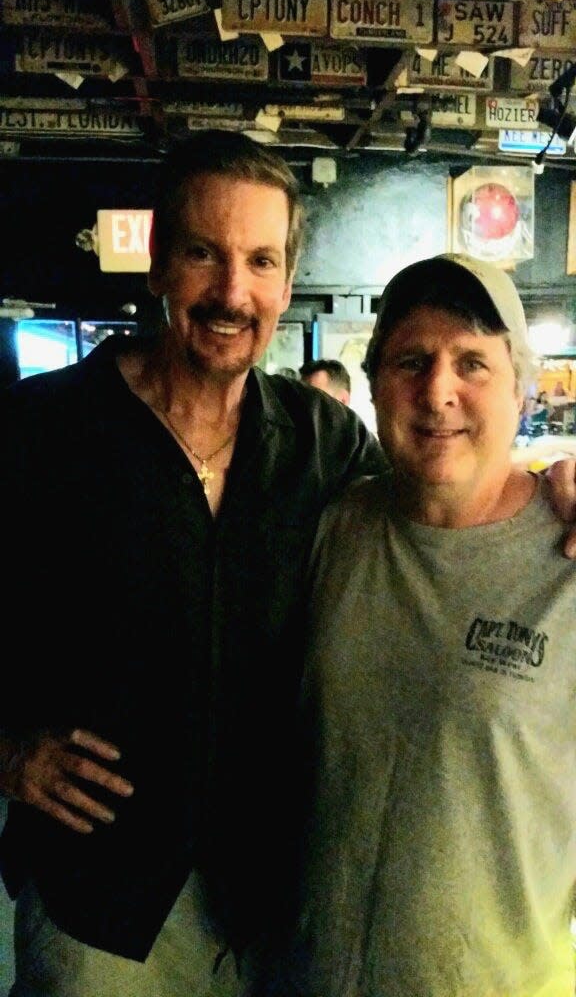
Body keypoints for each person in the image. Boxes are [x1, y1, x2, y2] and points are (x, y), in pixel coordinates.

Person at [0, 130, 385, 997]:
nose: (232, 291)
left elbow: (435, 524)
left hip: (275, 902)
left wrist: (541, 498)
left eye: (259, 261)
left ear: (286, 284)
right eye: (204, 254)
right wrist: (8, 756)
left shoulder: (324, 442)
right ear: (158, 264)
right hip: (99, 905)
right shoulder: (42, 432)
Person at [264, 253, 576, 997]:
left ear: (523, 389)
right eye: (412, 360)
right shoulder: (335, 527)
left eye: (473, 363)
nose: (439, 391)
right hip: (307, 976)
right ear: (373, 386)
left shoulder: (567, 560)